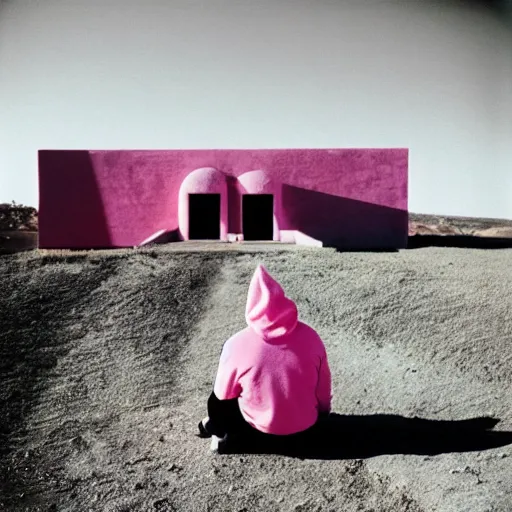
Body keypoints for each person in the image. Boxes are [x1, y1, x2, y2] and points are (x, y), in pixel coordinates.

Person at [198, 264, 332, 454]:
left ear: (251, 306)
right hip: (305, 430)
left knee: (218, 396)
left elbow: (221, 396)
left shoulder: (236, 344)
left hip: (255, 432)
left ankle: (220, 434)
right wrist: (324, 415)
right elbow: (323, 388)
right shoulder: (312, 337)